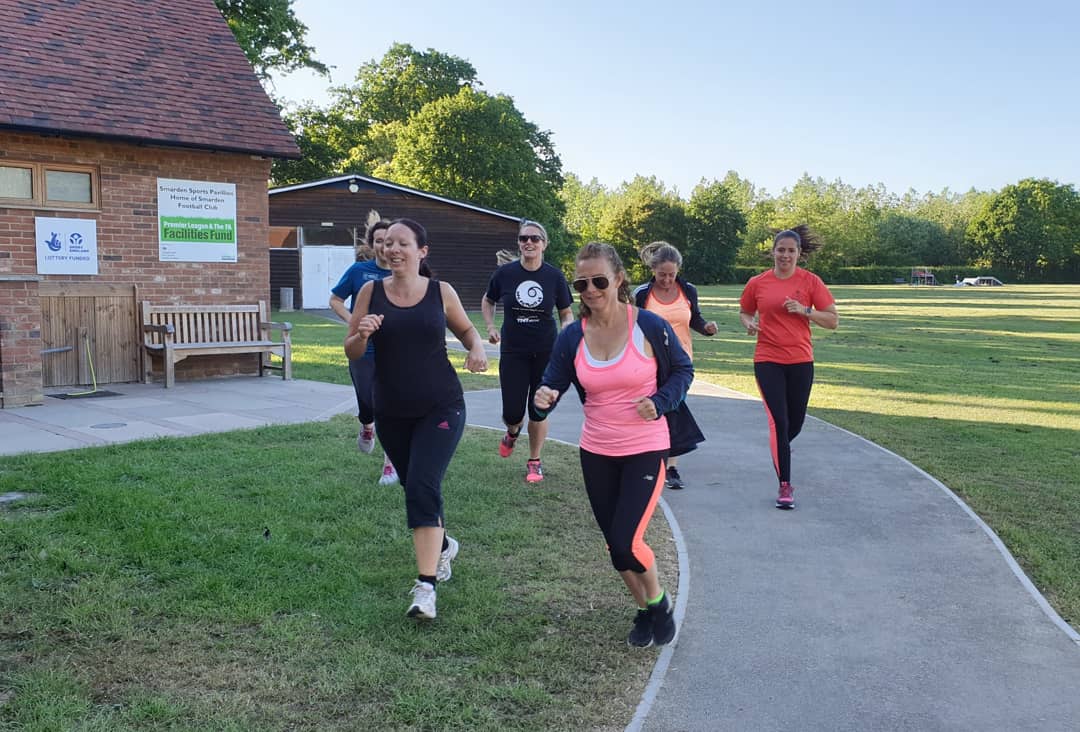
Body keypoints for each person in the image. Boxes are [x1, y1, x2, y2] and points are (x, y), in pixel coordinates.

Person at [533, 242, 703, 648]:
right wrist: (543, 396)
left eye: (599, 280)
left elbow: (683, 369)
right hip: (596, 450)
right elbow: (552, 380)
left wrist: (660, 402)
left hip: (645, 446)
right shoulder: (572, 335)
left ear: (619, 278)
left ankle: (658, 602)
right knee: (615, 548)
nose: (589, 289)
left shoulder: (648, 326)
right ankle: (647, 610)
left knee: (628, 541)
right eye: (581, 283)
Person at [344, 218, 488, 619]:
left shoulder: (440, 292)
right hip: (391, 409)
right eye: (387, 243)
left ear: (422, 251)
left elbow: (466, 331)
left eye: (402, 243)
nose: (393, 250)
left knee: (424, 484)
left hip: (441, 406)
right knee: (414, 487)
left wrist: (476, 349)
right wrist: (362, 336)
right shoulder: (371, 292)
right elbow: (352, 352)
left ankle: (426, 587)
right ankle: (443, 545)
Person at [738, 226, 838, 510]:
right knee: (779, 422)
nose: (785, 255)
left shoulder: (810, 282)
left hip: (801, 360)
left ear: (799, 254)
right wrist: (749, 324)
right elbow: (745, 311)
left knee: (795, 422)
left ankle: (779, 446)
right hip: (767, 358)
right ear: (773, 252)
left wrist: (805, 310)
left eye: (791, 251)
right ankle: (785, 485)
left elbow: (833, 321)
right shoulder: (757, 283)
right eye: (780, 250)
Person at [481, 220, 574, 483]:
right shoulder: (505, 274)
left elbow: (566, 313)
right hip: (514, 352)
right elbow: (488, 300)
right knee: (512, 412)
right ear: (519, 243)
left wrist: (568, 332)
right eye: (524, 239)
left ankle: (534, 460)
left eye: (534, 238)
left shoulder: (554, 277)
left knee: (539, 409)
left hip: (547, 352)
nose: (529, 243)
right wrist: (490, 326)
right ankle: (512, 432)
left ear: (544, 243)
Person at [633, 241, 717, 490]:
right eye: (662, 275)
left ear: (678, 271)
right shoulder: (642, 294)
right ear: (653, 270)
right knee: (654, 411)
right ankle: (648, 461)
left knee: (673, 410)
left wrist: (707, 329)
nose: (667, 280)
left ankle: (671, 467)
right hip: (650, 361)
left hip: (681, 363)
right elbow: (632, 324)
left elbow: (695, 318)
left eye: (671, 275)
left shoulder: (687, 290)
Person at [329, 211, 399, 486]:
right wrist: (354, 324)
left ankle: (390, 465)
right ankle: (366, 425)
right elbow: (335, 300)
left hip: (394, 351)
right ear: (372, 245)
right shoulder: (359, 272)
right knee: (368, 403)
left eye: (389, 241)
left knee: (390, 406)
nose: (385, 246)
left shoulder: (402, 272)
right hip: (362, 349)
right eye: (379, 241)